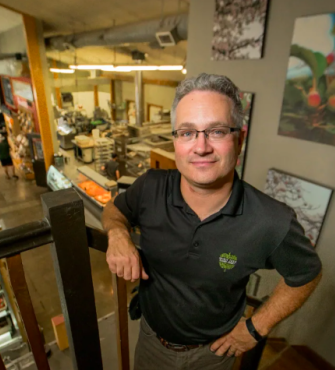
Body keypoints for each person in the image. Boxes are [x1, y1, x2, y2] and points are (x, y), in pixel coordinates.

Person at [102, 73, 322, 370]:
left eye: (217, 131)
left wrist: (256, 328)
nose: (201, 146)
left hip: (213, 355)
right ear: (176, 141)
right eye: (187, 132)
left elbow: (306, 275)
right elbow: (114, 210)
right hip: (151, 340)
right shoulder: (150, 186)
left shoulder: (271, 220)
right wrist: (117, 233)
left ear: (239, 140)